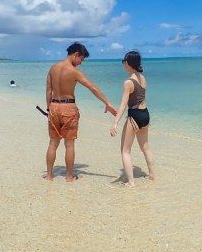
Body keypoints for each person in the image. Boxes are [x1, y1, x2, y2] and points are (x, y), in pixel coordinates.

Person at [44, 42, 116, 182]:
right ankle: (69, 176)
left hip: (53, 107)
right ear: (76, 54)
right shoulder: (74, 71)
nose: (81, 63)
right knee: (69, 144)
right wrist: (107, 103)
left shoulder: (53, 68)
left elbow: (48, 91)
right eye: (81, 59)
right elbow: (93, 88)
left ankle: (49, 175)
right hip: (68, 108)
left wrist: (49, 109)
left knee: (53, 143)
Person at [110, 50, 155, 186]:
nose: (123, 64)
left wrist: (115, 123)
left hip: (134, 116)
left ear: (128, 64)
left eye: (124, 62)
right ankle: (152, 175)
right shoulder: (143, 78)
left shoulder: (128, 82)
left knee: (125, 151)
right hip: (145, 114)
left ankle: (131, 183)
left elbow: (123, 104)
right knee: (145, 147)